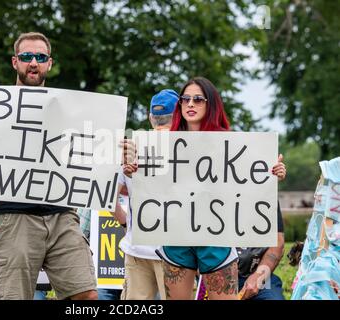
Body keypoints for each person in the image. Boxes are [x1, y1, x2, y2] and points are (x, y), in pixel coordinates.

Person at [0, 32, 97, 300]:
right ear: (14, 62)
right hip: (13, 216)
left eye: (40, 57)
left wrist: (114, 153)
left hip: (61, 213)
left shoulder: (69, 110)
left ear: (49, 63)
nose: (33, 62)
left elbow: (89, 161)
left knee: (86, 295)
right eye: (27, 56)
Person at [123, 77, 286, 300]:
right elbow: (147, 185)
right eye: (185, 99)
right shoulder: (160, 145)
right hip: (176, 240)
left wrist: (273, 174)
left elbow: (251, 185)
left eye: (198, 99)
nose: (190, 104)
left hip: (215, 241)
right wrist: (131, 169)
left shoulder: (230, 143)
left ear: (211, 104)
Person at [112, 89, 179, 300]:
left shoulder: (130, 147)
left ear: (151, 117)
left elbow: (107, 196)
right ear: (179, 116)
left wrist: (126, 223)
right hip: (176, 252)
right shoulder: (191, 151)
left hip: (137, 250)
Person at [237, 203, 285, 300]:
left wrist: (258, 278)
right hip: (216, 274)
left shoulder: (266, 191)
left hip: (256, 273)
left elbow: (277, 244)